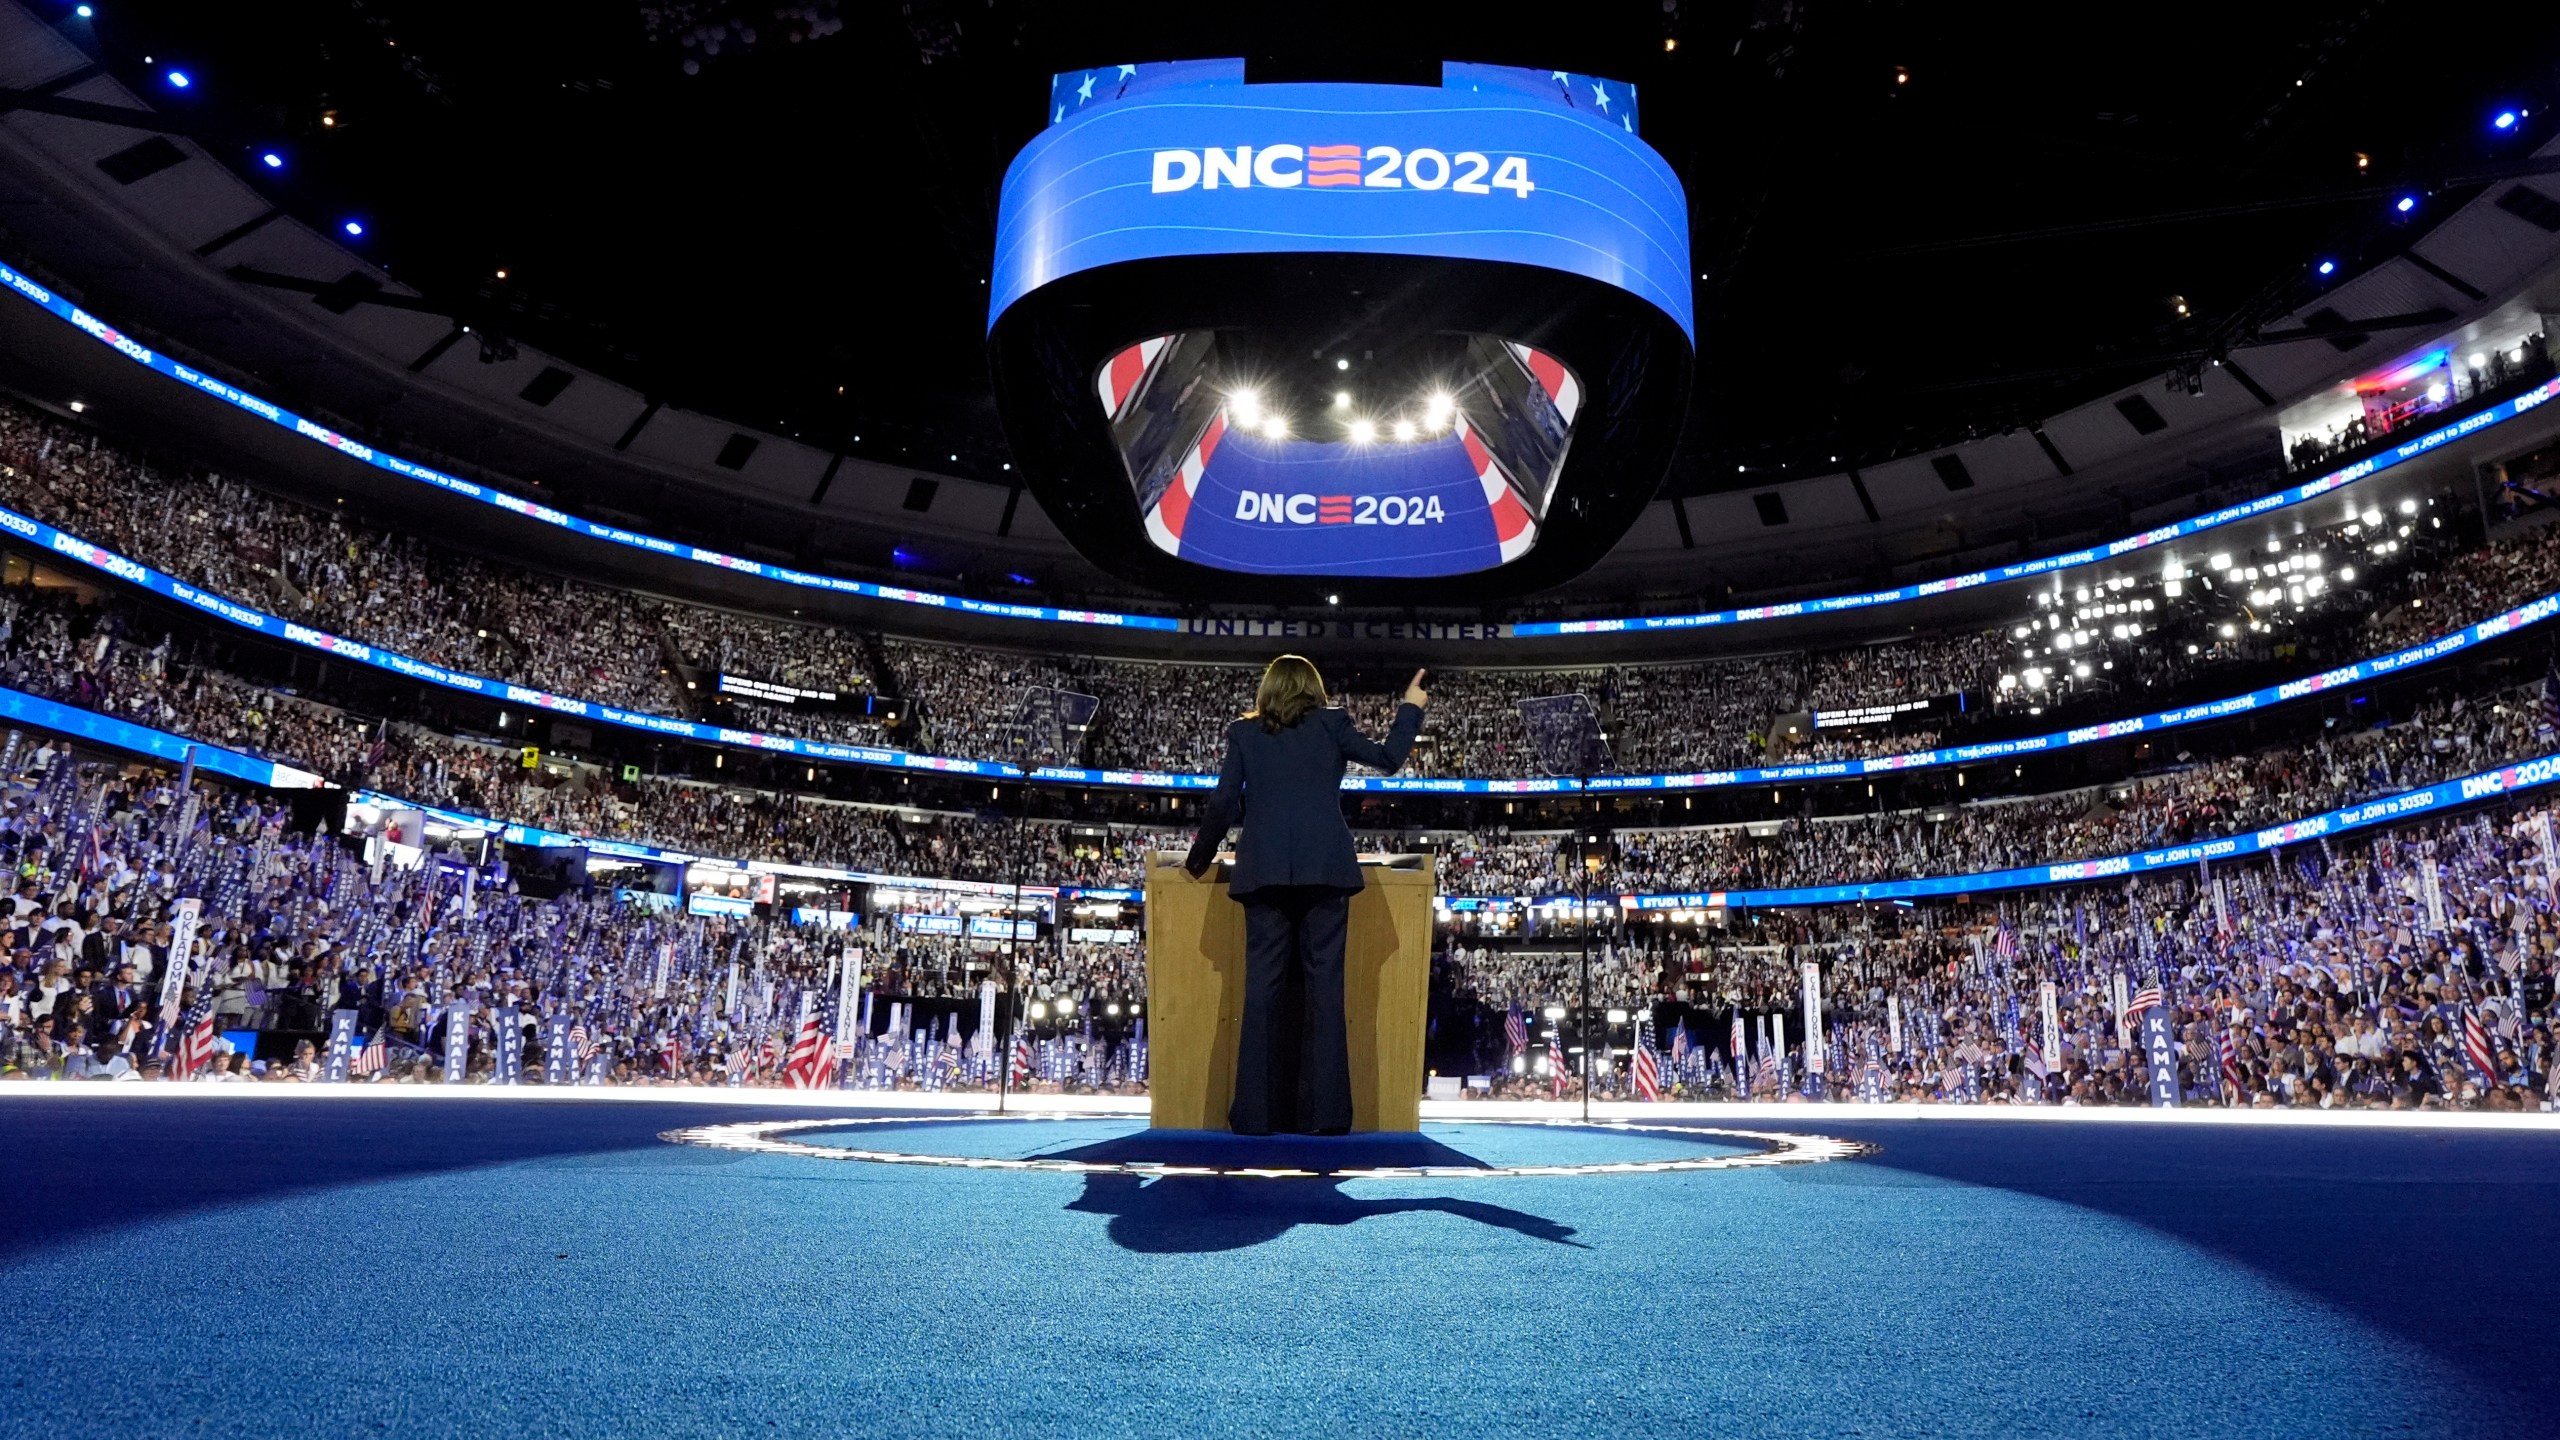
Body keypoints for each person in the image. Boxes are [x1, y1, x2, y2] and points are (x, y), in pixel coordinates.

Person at [1184, 656, 1427, 1135]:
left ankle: (1254, 1116)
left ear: (1267, 690)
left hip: (1264, 872)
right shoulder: (1332, 724)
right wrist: (1410, 707)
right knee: (1325, 993)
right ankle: (1327, 1117)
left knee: (1260, 994)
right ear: (1313, 689)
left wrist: (1198, 860)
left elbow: (1224, 802)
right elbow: (1388, 758)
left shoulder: (1245, 733)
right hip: (1326, 872)